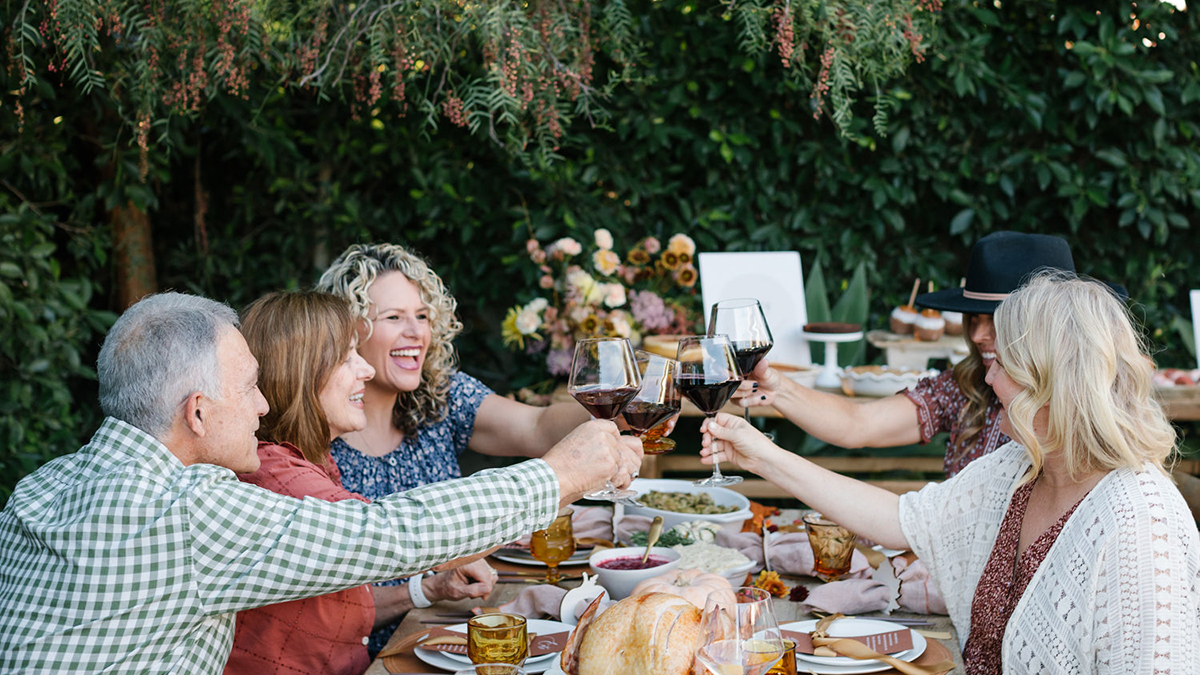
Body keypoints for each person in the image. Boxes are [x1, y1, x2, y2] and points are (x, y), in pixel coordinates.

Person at [0, 292, 642, 674]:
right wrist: (561, 474)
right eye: (250, 389)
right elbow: (390, 532)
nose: (261, 406)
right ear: (197, 413)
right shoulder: (183, 507)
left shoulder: (37, 489)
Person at [703, 273, 1199, 673]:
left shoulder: (1140, 524)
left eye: (1001, 364)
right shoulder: (1018, 471)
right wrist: (758, 456)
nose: (986, 377)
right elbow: (897, 518)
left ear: (1053, 382)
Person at [316, 242, 601, 652]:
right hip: (363, 657)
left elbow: (538, 426)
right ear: (347, 331)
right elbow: (315, 612)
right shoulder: (314, 433)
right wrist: (424, 588)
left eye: (422, 316)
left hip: (447, 637)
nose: (416, 332)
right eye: (394, 317)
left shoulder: (440, 396)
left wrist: (619, 404)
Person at [224, 290, 500, 675]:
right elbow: (397, 536)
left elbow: (338, 611)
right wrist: (560, 477)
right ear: (302, 374)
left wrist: (429, 590)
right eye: (347, 358)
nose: (366, 371)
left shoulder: (306, 461)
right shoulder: (279, 478)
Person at [737, 231, 1121, 476]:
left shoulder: (1095, 413)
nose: (980, 334)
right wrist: (775, 386)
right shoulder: (965, 385)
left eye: (1000, 320)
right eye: (973, 318)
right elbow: (860, 424)